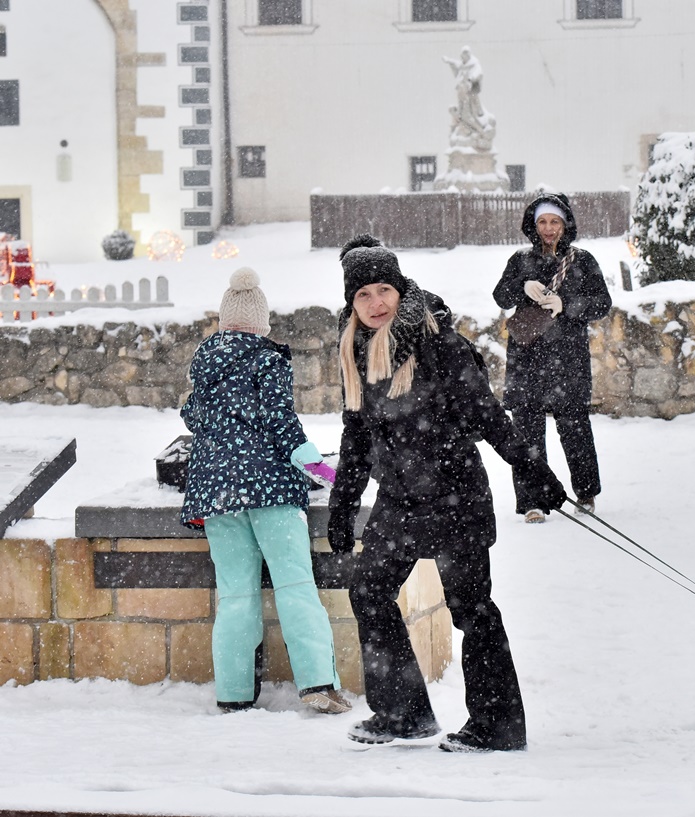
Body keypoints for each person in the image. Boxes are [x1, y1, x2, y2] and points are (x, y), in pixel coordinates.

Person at [326, 234, 566, 753]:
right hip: (398, 500)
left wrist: (532, 469)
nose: (376, 303)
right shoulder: (355, 350)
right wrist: (342, 506)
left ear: (400, 289)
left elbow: (486, 414)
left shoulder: (440, 345)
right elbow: (357, 435)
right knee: (368, 591)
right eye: (363, 295)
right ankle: (402, 713)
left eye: (384, 290)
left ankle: (497, 726)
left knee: (471, 608)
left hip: (455, 494)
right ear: (351, 303)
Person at [180, 268, 350, 715]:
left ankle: (234, 693)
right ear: (261, 323)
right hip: (270, 489)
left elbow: (192, 417)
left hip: (217, 496)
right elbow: (281, 422)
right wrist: (321, 467)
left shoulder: (204, 365)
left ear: (224, 321)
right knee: (295, 585)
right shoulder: (266, 359)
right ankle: (317, 683)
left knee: (236, 596)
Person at [492, 193, 612, 523]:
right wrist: (523, 285)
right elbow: (501, 296)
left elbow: (602, 303)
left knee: (575, 429)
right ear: (533, 225)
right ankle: (532, 501)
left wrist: (567, 305)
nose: (548, 228)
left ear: (565, 224)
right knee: (527, 433)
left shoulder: (582, 260)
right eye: (542, 222)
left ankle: (585, 493)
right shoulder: (520, 260)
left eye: (554, 222)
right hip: (526, 357)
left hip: (568, 358)